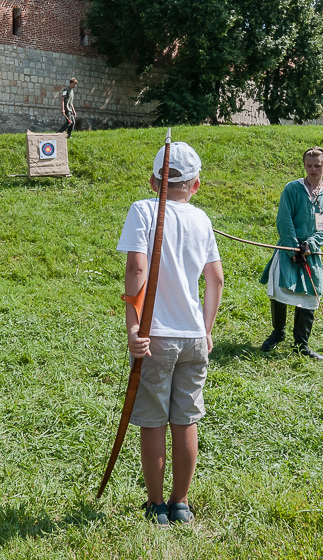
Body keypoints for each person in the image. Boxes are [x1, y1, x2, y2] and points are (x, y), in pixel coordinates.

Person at [117, 141, 224, 526]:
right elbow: (216, 280)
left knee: (153, 420)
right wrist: (206, 330)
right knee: (185, 419)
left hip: (155, 336)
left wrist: (133, 325)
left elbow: (136, 271)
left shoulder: (143, 209)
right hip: (193, 337)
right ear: (196, 185)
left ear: (153, 180)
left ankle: (156, 505)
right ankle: (181, 503)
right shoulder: (202, 219)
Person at [258, 147, 323, 360]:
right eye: (309, 165)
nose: (313, 169)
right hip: (288, 249)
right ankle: (278, 333)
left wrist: (310, 246)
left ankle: (301, 345)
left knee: (310, 294)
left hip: (311, 253)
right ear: (304, 165)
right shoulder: (292, 189)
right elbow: (284, 219)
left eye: (317, 166)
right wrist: (294, 247)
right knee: (280, 291)